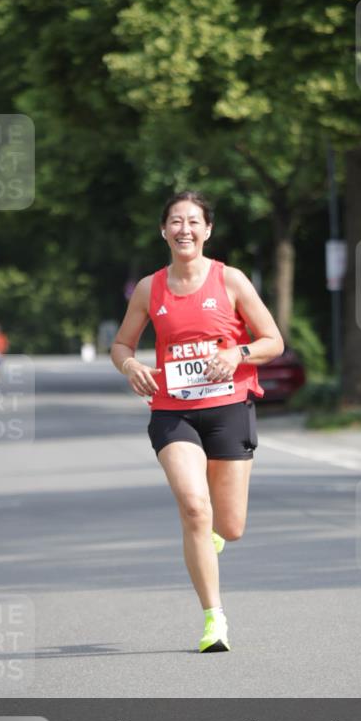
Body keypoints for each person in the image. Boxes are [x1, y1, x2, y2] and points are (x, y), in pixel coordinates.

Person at [111, 191, 284, 653]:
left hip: (229, 406)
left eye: (193, 222)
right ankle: (214, 620)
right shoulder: (152, 288)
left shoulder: (231, 281)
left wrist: (236, 353)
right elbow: (121, 345)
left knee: (229, 526)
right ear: (163, 231)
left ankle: (212, 538)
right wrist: (130, 367)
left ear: (207, 230)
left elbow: (273, 341)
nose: (184, 229)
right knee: (193, 506)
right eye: (175, 221)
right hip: (174, 410)